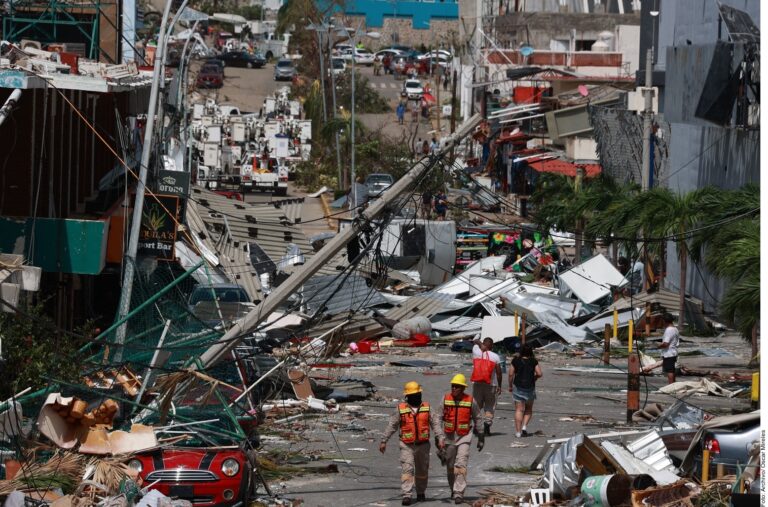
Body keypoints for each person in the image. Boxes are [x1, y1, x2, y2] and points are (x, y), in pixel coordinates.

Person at [380, 381, 445, 505]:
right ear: (407, 396)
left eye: (418, 394)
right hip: (406, 445)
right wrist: (384, 441)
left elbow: (435, 424)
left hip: (423, 445)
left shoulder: (427, 408)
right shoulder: (401, 409)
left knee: (422, 471)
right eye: (414, 395)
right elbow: (392, 426)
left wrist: (440, 438)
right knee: (407, 470)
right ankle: (407, 495)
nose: (416, 396)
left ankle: (421, 492)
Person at [441, 374, 484, 504]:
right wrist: (439, 437)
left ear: (462, 388)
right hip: (449, 437)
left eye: (457, 387)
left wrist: (481, 437)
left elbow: (478, 418)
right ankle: (453, 489)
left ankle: (459, 492)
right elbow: (437, 417)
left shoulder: (470, 401)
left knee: (461, 464)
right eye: (452, 386)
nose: (453, 388)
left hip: (464, 436)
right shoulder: (445, 399)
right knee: (450, 466)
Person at [508, 344, 542, 438]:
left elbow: (511, 374)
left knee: (519, 410)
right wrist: (534, 378)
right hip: (530, 387)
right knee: (528, 409)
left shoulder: (515, 360)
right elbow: (539, 373)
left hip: (518, 387)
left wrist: (510, 386)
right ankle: (524, 427)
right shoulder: (533, 361)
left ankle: (518, 432)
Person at [471, 337, 502, 436]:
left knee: (477, 406)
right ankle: (487, 424)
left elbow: (475, 340)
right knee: (489, 406)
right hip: (491, 384)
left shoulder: (476, 352)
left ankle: (477, 426)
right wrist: (499, 385)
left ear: (483, 344)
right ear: (492, 346)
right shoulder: (495, 356)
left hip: (477, 384)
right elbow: (499, 373)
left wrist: (480, 344)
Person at [659, 313, 680, 384]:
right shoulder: (675, 329)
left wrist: (658, 346)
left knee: (669, 371)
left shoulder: (669, 330)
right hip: (673, 352)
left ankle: (671, 385)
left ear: (665, 321)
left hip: (669, 353)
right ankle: (673, 384)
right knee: (672, 370)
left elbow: (666, 344)